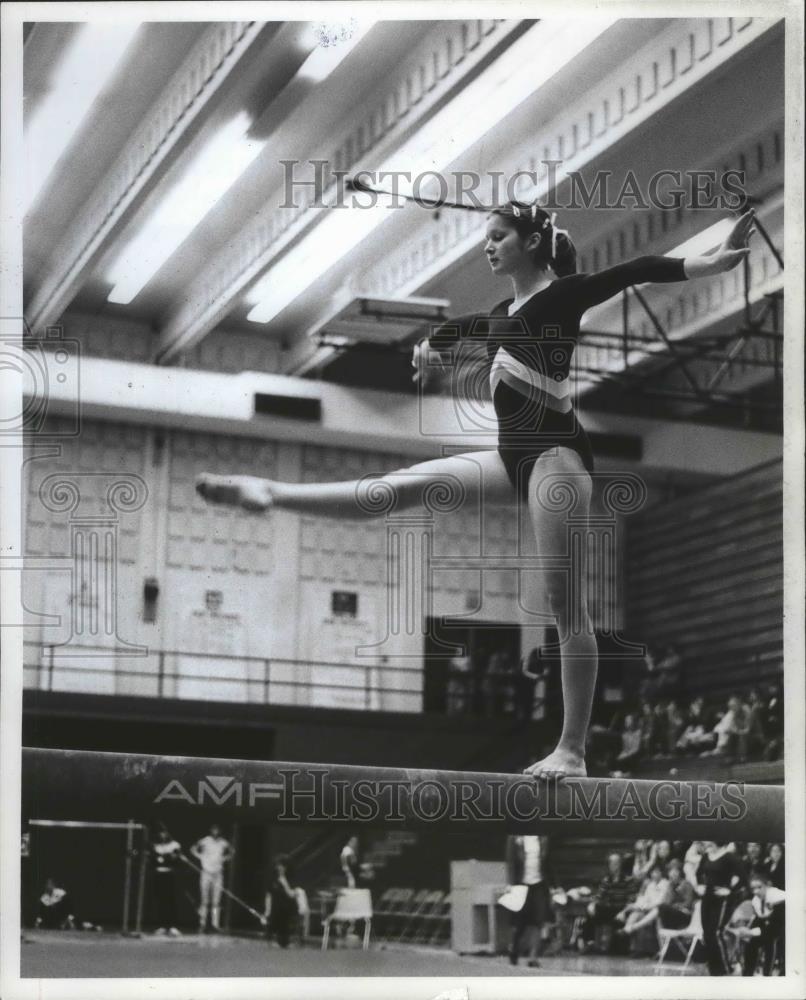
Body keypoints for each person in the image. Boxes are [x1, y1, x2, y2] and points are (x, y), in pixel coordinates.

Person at [196, 204, 755, 779]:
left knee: (567, 610)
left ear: (532, 241)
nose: (487, 247)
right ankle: (272, 493)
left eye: (497, 237)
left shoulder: (564, 295)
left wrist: (704, 264)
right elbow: (469, 328)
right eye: (486, 238)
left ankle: (573, 749)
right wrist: (431, 345)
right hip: (512, 456)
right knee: (394, 490)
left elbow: (633, 269)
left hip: (556, 460)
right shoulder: (499, 311)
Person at [694, 841, 746, 976]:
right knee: (707, 933)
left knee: (717, 933)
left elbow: (743, 878)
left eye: (709, 841)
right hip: (707, 897)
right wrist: (699, 885)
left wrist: (730, 890)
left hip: (722, 900)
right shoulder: (706, 856)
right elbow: (699, 873)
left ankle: (726, 969)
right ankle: (714, 970)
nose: (705, 843)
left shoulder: (730, 857)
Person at [505, 834, 555, 967]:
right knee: (520, 923)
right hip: (521, 884)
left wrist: (555, 885)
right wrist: (510, 884)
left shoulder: (543, 838)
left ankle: (533, 957)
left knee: (539, 920)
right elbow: (510, 863)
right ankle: (514, 949)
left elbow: (548, 864)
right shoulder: (514, 838)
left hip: (539, 884)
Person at [585, 852, 636, 953]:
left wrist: (624, 912)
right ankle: (590, 943)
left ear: (620, 864)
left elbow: (632, 900)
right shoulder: (607, 880)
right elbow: (599, 896)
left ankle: (616, 947)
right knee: (590, 911)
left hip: (623, 909)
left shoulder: (628, 880)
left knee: (615, 950)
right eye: (611, 863)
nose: (613, 865)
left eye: (616, 863)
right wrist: (592, 904)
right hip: (610, 908)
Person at [191, 823, 234, 933]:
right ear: (211, 830)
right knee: (205, 900)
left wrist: (224, 859)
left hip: (218, 873)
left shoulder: (223, 842)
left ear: (219, 831)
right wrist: (200, 857)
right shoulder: (205, 840)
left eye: (217, 830)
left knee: (216, 900)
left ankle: (215, 925)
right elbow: (193, 849)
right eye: (214, 830)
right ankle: (202, 924)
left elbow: (232, 851)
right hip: (206, 872)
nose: (215, 832)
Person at [742, 875, 785, 976]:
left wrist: (753, 932)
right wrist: (749, 932)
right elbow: (760, 921)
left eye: (759, 887)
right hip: (772, 926)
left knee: (771, 940)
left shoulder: (779, 897)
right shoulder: (756, 901)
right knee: (752, 943)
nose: (756, 891)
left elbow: (776, 925)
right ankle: (747, 975)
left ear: (767, 885)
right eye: (753, 888)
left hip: (789, 926)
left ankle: (768, 974)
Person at [151, 826, 183, 936]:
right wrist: (162, 857)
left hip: (170, 874)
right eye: (161, 833)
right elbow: (154, 860)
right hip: (159, 874)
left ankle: (173, 926)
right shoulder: (156, 846)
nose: (163, 835)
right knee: (161, 901)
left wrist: (166, 857)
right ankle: (163, 926)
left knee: (171, 900)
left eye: (165, 833)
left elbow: (174, 859)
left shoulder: (175, 845)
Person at [266, 857, 298, 949]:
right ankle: (272, 940)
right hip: (275, 907)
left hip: (287, 908)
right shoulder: (272, 879)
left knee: (285, 922)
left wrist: (284, 883)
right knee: (273, 920)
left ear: (285, 868)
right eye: (278, 866)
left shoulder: (290, 880)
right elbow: (268, 895)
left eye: (282, 866)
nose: (280, 868)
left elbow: (291, 895)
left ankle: (285, 942)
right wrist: (267, 910)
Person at [657, 862, 696, 930]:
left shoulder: (687, 884)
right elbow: (668, 901)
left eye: (675, 871)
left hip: (685, 914)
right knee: (661, 908)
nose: (672, 874)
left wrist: (677, 906)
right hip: (674, 913)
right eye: (670, 871)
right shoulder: (671, 885)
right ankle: (662, 936)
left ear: (679, 872)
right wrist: (671, 888)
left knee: (662, 908)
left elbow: (689, 903)